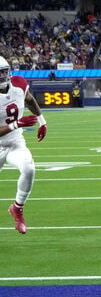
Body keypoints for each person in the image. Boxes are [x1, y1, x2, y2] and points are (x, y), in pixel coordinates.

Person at [0, 56, 46, 234]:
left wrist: (42, 121)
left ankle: (17, 208)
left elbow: (29, 98)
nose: (2, 76)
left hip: (15, 142)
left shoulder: (18, 83)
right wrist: (16, 124)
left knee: (29, 168)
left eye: (4, 72)